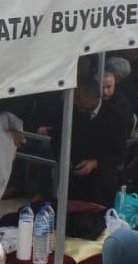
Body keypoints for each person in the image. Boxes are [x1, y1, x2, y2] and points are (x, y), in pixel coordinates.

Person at [40, 79, 129, 209]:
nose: (75, 101)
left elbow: (121, 153)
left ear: (92, 96)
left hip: (101, 183)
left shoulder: (116, 117)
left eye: (78, 98)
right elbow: (57, 139)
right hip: (72, 179)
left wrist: (96, 163)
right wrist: (62, 158)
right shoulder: (69, 111)